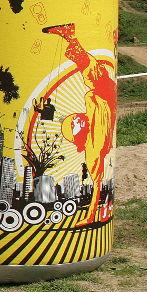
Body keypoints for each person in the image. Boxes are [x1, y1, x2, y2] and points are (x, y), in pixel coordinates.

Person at [42, 22, 116, 226]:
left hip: (103, 92)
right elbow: (97, 182)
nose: (76, 120)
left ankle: (70, 36)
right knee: (93, 77)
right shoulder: (92, 149)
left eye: (73, 119)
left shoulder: (91, 106)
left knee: (92, 76)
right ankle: (70, 37)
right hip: (104, 95)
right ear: (76, 137)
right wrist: (90, 216)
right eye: (74, 125)